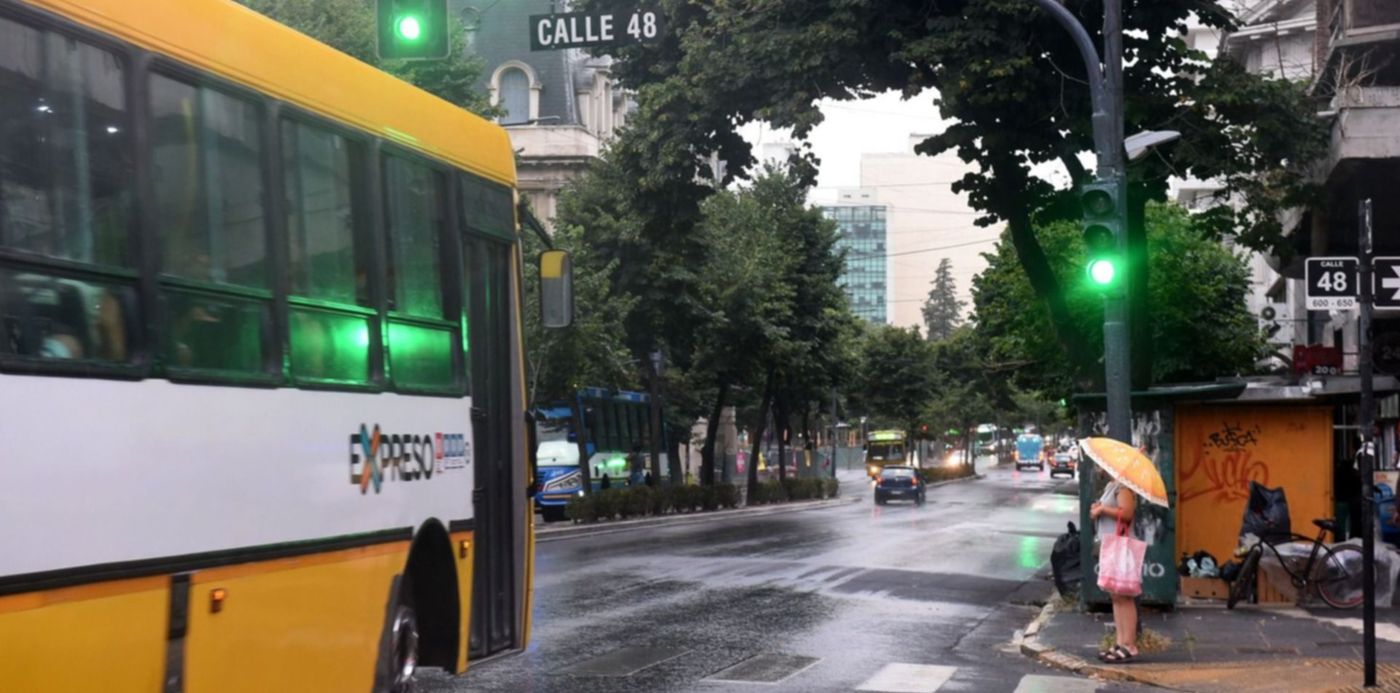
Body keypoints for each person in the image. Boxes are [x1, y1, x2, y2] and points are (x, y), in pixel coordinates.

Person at [1090, 477, 1144, 663]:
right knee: (1116, 596)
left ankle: (1129, 644)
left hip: (1121, 547)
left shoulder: (1123, 487)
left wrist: (1103, 509)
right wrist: (1098, 509)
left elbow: (1127, 514)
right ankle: (1120, 642)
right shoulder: (1111, 486)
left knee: (1124, 596)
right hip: (1111, 546)